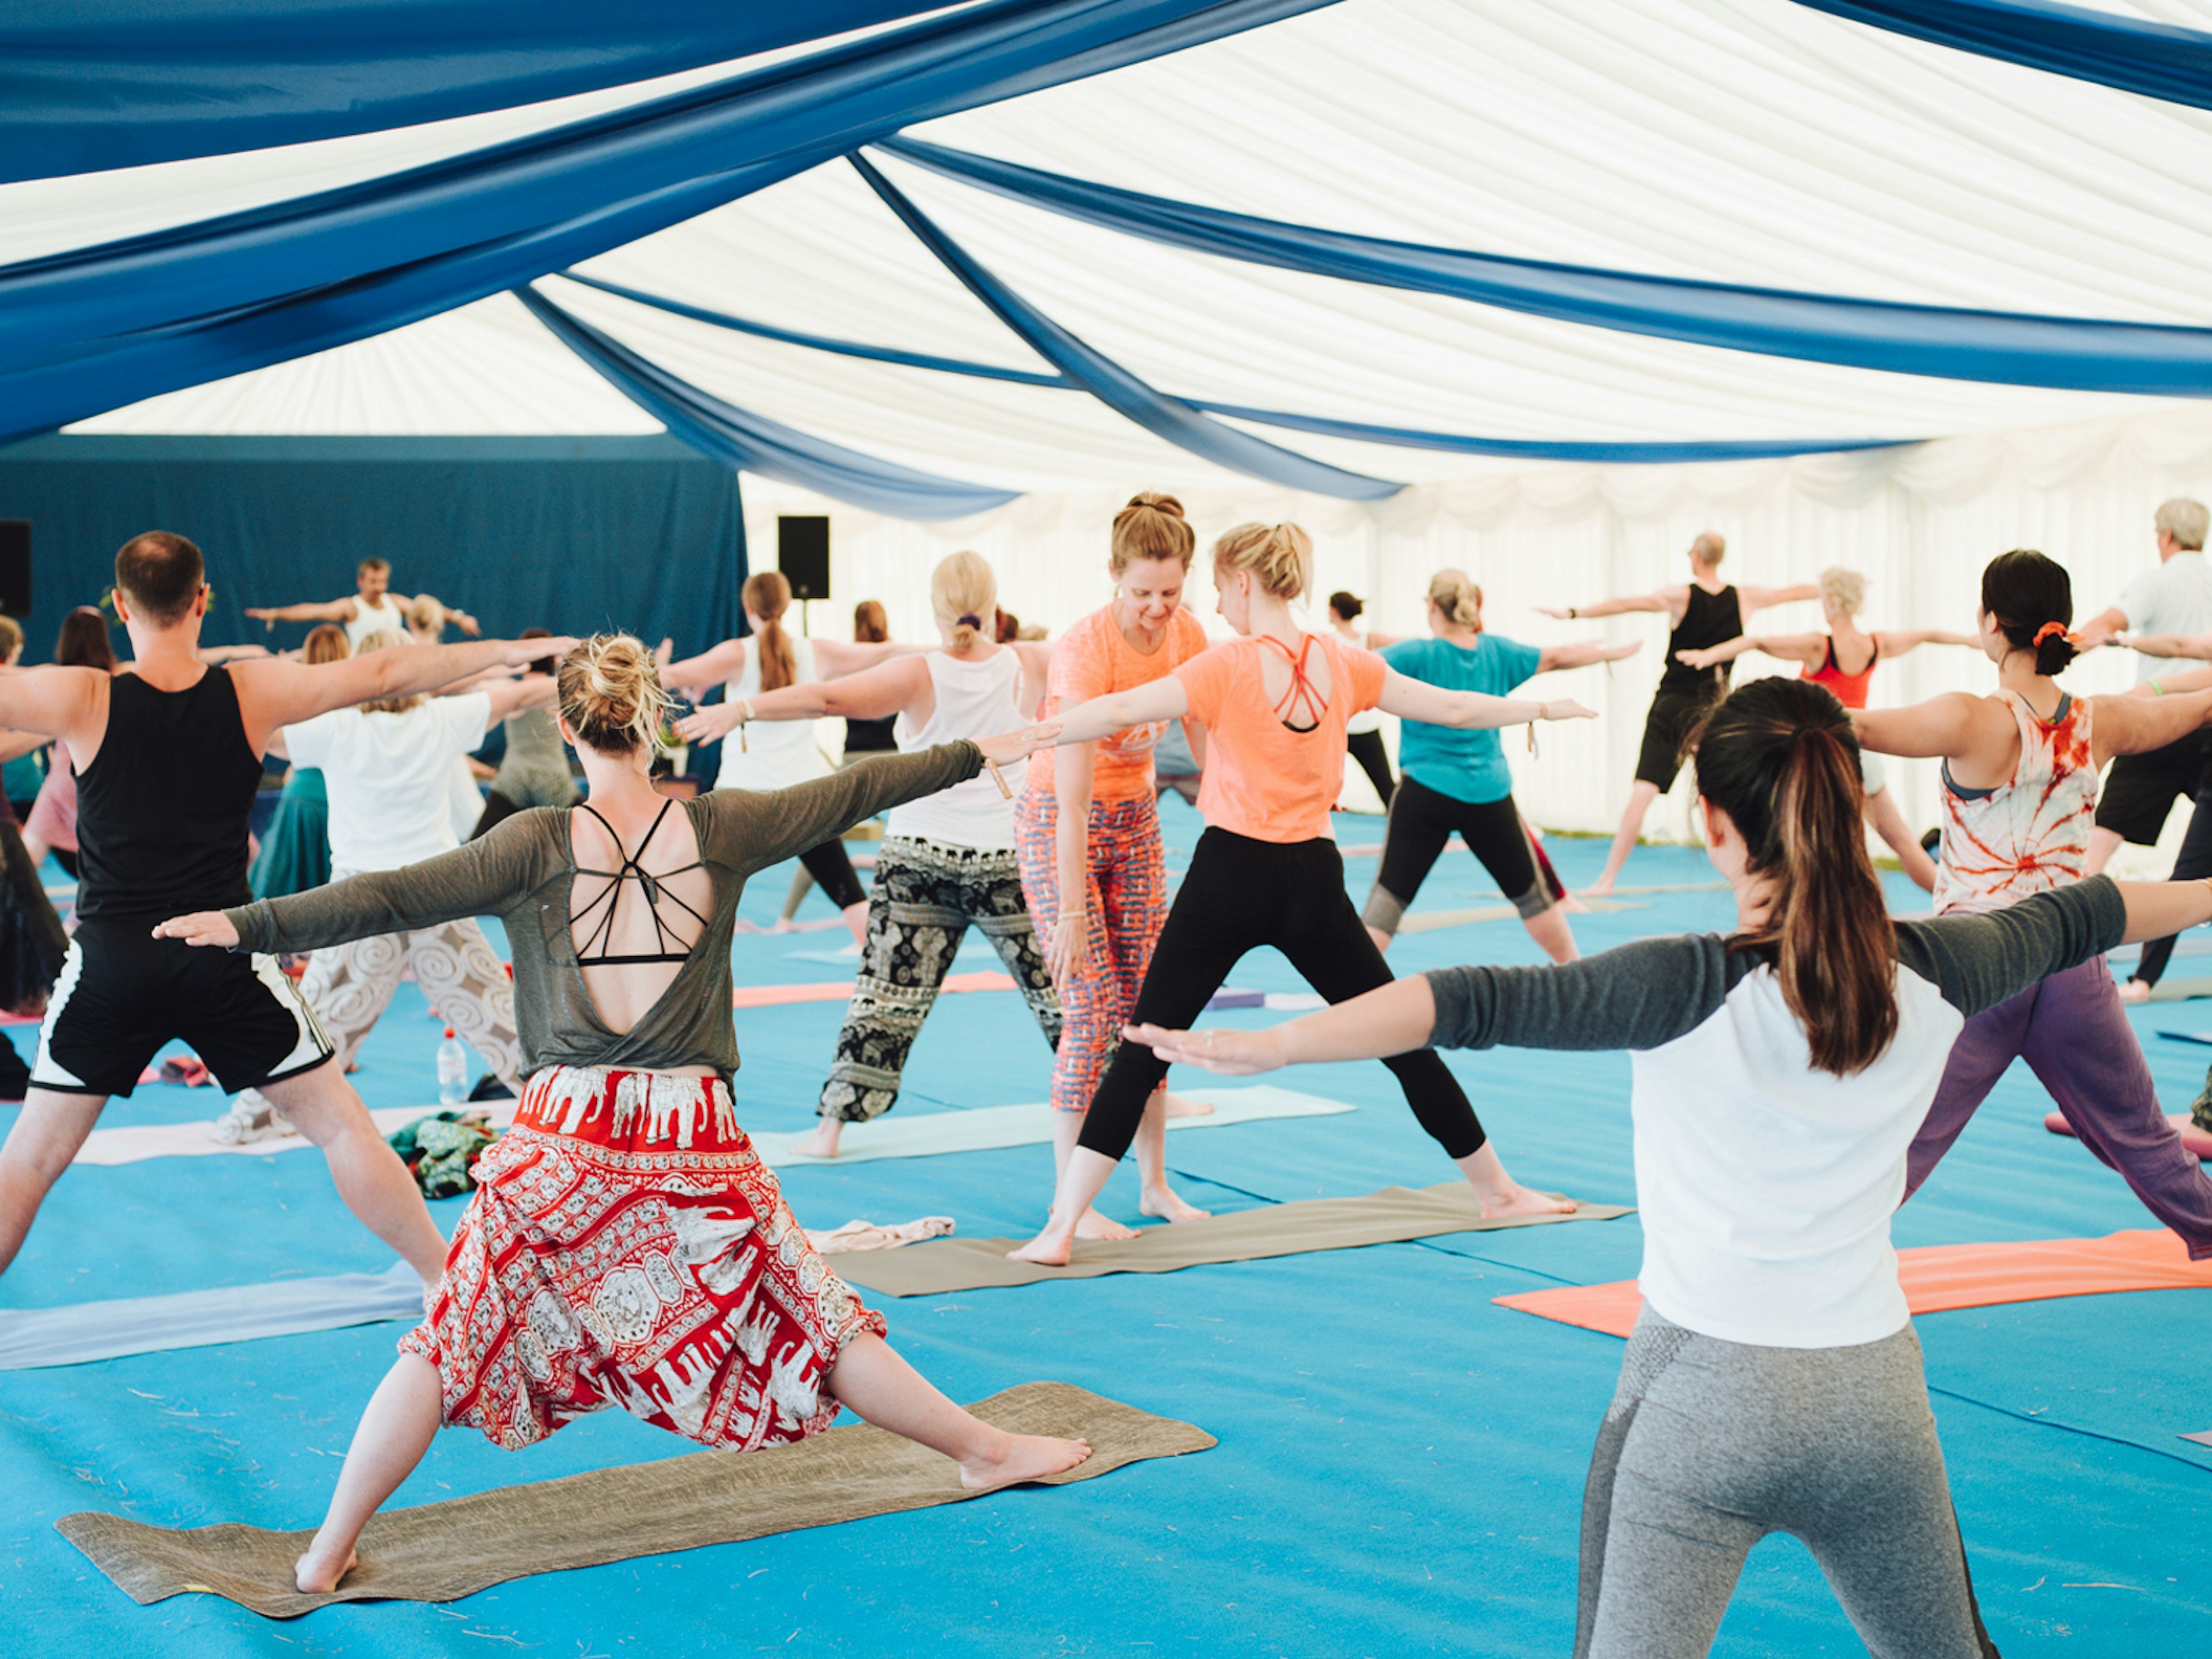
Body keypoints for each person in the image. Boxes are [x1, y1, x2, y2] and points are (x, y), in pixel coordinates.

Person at [1126, 673, 2212, 1659]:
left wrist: (1272, 1042)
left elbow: (1470, 1000)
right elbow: (2093, 910)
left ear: (1717, 830)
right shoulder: (1946, 964)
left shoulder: (1682, 983)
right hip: (1878, 1408)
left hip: (1705, 1413)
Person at [153, 634, 1090, 1593]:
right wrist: (987, 748)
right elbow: (867, 785)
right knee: (811, 1314)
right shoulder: (727, 826)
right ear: (657, 724)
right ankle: (981, 1449)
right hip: (696, 1140)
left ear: (564, 727)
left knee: (448, 1340)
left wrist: (244, 926)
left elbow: (386, 895)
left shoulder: (532, 843)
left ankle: (326, 1547)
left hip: (564, 1136)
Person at [1002, 522, 1594, 1267]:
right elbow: (1451, 708)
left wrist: (1023, 740)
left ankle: (1060, 1230)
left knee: (1144, 1045)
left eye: (1217, 588)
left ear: (1244, 583)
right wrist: (1539, 711)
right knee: (1402, 1037)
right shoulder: (1345, 663)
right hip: (1313, 881)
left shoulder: (1226, 663)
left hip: (1228, 880)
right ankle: (1498, 1189)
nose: (1215, 606)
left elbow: (1119, 712)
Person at [0, 531, 564, 1286]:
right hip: (226, 955)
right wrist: (506, 651)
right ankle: (445, 1283)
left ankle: (445, 1283)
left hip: (114, 962)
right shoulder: (249, 689)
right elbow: (389, 669)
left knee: (30, 1158)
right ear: (202, 601)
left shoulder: (85, 695)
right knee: (339, 1127)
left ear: (121, 603)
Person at [1854, 549, 2212, 1257]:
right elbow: (2190, 706)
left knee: (1904, 1142)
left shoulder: (1967, 718)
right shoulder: (2100, 721)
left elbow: (1852, 727)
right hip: (2072, 960)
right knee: (2142, 1139)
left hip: (1978, 968)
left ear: (1991, 624)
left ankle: (1806, 1260)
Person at [680, 553, 1062, 1159]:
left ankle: (830, 1130)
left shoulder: (919, 673)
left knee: (882, 999)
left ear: (935, 608)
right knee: (1061, 995)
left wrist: (743, 708)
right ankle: (1138, 1101)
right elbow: (1111, 676)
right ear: (994, 605)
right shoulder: (1033, 661)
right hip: (1003, 860)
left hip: (920, 859)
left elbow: (828, 700)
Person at [219, 627, 554, 1139]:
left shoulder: (336, 727)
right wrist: (578, 666)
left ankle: (250, 1122)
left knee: (315, 1028)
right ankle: (563, 1112)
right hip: (438, 890)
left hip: (361, 899)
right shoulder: (442, 718)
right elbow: (525, 693)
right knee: (499, 1019)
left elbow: (257, 726)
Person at [1018, 494, 1215, 1239]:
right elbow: (1069, 806)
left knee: (1154, 1012)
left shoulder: (1189, 632)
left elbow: (1206, 738)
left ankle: (1155, 1185)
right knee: (1092, 1014)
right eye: (1142, 593)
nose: (1158, 608)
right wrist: (1070, 910)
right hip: (1057, 823)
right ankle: (1071, 1201)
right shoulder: (1083, 651)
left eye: (1171, 592)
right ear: (1113, 577)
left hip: (1135, 818)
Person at [1365, 570, 1639, 961]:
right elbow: (1558, 658)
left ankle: (1349, 997)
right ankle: (1576, 973)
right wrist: (1607, 654)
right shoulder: (1496, 651)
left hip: (1426, 792)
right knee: (1534, 899)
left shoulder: (1416, 654)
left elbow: (1356, 667)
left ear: (1431, 606)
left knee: (1388, 901)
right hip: (1489, 794)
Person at [1539, 532, 1817, 894]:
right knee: (1728, 795)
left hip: (1673, 705)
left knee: (1643, 792)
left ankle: (1607, 879)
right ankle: (1760, 874)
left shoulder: (1682, 596)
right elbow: (1791, 592)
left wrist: (1574, 613)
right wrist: (1833, 592)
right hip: (1714, 709)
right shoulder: (1745, 597)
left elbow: (1627, 604)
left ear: (1697, 558)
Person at [1674, 565, 1976, 892]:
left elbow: (1757, 641)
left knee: (1806, 844)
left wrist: (1708, 655)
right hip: (1863, 751)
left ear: (1831, 601)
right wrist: (1970, 641)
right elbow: (1928, 634)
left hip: (1821, 752)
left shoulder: (1820, 646)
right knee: (1903, 842)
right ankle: (1954, 902)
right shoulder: (1875, 644)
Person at [662, 573, 913, 948]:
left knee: (700, 888)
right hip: (804, 792)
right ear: (786, 605)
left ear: (748, 608)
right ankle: (877, 963)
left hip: (742, 795)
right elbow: (887, 652)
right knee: (845, 886)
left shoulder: (737, 653)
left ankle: (674, 963)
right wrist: (959, 648)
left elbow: (667, 677)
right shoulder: (817, 652)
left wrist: (660, 665)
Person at [2067, 499, 2212, 877]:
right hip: (2207, 723)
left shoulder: (2158, 581)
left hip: (2159, 725)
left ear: (2166, 536)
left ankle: (2071, 924)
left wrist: (2058, 652)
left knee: (2100, 841)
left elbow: (2107, 625)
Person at [774, 599, 901, 927]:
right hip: (892, 760)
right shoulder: (895, 661)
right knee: (902, 835)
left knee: (821, 837)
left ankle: (786, 916)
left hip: (854, 760)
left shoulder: (849, 663)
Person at [249, 624, 351, 901]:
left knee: (281, 906)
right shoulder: (356, 701)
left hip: (300, 802)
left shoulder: (297, 698)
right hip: (338, 803)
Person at [19, 607, 123, 878]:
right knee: (107, 863)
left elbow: (13, 674)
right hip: (101, 782)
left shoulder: (57, 678)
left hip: (63, 780)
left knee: (24, 863)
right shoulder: (117, 678)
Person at [472, 628, 579, 838]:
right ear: (552, 660)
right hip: (552, 777)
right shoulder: (558, 691)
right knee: (590, 831)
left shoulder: (510, 690)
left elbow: (477, 684)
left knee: (479, 843)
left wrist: (511, 664)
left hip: (515, 777)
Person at [247, 556, 480, 650]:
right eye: (373, 582)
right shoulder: (351, 608)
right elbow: (313, 610)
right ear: (361, 581)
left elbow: (429, 611)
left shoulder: (394, 602)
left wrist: (459, 618)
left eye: (382, 581)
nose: (378, 587)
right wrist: (276, 613)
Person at [1327, 591, 1396, 806]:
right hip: (1360, 726)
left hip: (1342, 727)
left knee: (1317, 789)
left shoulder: (1328, 641)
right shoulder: (1369, 640)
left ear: (1334, 611)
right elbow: (1410, 645)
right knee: (1387, 788)